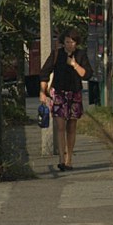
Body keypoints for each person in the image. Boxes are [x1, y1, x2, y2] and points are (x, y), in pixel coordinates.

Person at [39, 29, 93, 171]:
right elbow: (44, 72)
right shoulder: (57, 54)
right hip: (59, 93)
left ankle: (69, 158)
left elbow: (87, 74)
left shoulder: (81, 55)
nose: (70, 45)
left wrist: (74, 64)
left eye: (73, 42)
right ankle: (62, 159)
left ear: (77, 43)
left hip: (74, 93)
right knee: (60, 126)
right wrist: (43, 92)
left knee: (71, 127)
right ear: (63, 42)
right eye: (67, 42)